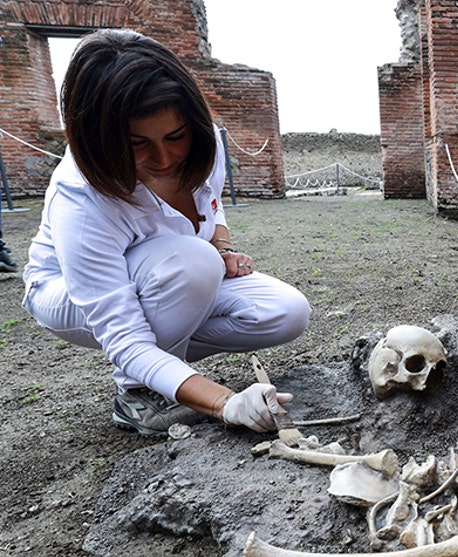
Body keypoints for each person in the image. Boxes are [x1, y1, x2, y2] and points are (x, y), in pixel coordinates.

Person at [21, 29, 311, 437]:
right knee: (192, 264)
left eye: (175, 136)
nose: (164, 158)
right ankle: (137, 393)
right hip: (67, 294)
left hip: (170, 274)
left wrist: (221, 244)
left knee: (285, 312)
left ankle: (162, 361)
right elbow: (123, 335)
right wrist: (224, 402)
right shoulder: (82, 199)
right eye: (137, 144)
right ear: (101, 139)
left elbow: (211, 201)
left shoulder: (202, 145)